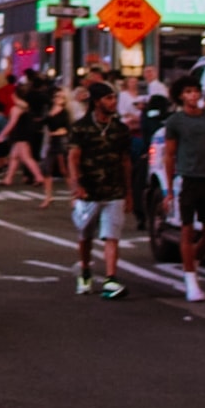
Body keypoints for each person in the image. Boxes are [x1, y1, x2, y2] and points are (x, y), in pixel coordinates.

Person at [163, 75, 205, 304]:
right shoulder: (175, 122)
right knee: (186, 230)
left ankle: (192, 263)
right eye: (188, 91)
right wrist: (169, 189)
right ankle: (192, 283)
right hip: (187, 179)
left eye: (196, 91)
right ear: (181, 95)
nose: (193, 95)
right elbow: (169, 155)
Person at [67, 80, 133, 298]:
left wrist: (129, 191)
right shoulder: (81, 128)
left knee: (111, 236)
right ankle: (85, 270)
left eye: (114, 98)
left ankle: (110, 279)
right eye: (108, 98)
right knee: (85, 235)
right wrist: (76, 185)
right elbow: (73, 158)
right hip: (89, 190)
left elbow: (125, 160)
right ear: (96, 102)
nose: (113, 102)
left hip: (114, 190)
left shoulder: (120, 129)